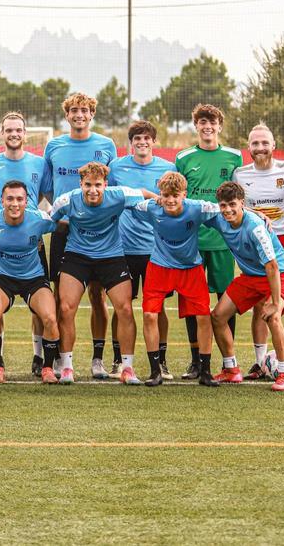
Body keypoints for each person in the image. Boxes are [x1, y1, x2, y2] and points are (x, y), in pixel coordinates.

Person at [48, 162, 153, 384]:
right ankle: (67, 367)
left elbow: (145, 194)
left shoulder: (119, 194)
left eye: (97, 185)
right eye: (87, 184)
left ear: (106, 184)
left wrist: (162, 203)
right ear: (80, 184)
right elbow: (49, 220)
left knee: (124, 308)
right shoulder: (67, 200)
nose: (92, 190)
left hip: (111, 256)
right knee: (65, 308)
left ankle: (127, 368)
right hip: (77, 255)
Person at [44, 93, 120, 380]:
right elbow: (48, 188)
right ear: (67, 115)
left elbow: (112, 187)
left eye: (85, 110)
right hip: (65, 231)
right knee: (62, 298)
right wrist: (66, 213)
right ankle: (58, 359)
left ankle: (98, 360)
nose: (79, 114)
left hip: (100, 232)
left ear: (92, 114)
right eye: (74, 110)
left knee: (98, 294)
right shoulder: (54, 145)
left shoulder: (106, 145)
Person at [0, 111, 51, 375]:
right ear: (2, 133)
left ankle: (40, 357)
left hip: (33, 248)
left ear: (25, 133)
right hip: (0, 251)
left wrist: (32, 220)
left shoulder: (39, 164)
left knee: (41, 310)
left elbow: (48, 195)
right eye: (9, 130)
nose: (14, 134)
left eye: (18, 129)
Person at [125, 172, 220, 387]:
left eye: (175, 195)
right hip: (159, 267)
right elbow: (129, 199)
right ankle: (155, 371)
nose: (170, 200)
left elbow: (225, 208)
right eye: (166, 195)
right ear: (161, 194)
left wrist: (260, 215)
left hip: (191, 269)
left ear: (184, 195)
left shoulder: (198, 208)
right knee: (150, 315)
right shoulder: (152, 207)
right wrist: (150, 196)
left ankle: (205, 371)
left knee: (203, 317)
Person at [202, 182, 284, 392]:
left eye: (232, 204)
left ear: (241, 204)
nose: (227, 210)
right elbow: (194, 206)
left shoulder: (255, 227)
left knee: (272, 317)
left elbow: (272, 266)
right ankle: (231, 369)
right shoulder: (219, 218)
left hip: (279, 273)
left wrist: (273, 302)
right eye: (223, 205)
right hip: (251, 276)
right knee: (217, 316)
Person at [173, 104, 244, 379]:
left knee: (228, 300)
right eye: (202, 122)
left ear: (219, 126)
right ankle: (196, 362)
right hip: (193, 242)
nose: (207, 126)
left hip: (224, 241)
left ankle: (229, 361)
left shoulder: (234, 157)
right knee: (192, 302)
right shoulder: (184, 158)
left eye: (212, 122)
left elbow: (242, 195)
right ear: (196, 126)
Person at [233, 123, 284, 381]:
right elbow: (236, 206)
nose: (261, 148)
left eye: (265, 143)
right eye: (255, 144)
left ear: (274, 145)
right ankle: (259, 362)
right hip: (254, 245)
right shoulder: (240, 175)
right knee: (258, 304)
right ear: (249, 147)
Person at [0, 180, 59, 384]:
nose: (14, 203)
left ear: (27, 201)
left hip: (34, 278)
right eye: (9, 198)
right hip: (3, 279)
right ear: (1, 200)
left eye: (20, 199)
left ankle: (47, 367)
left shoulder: (39, 219)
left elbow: (62, 225)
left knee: (50, 318)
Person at [108, 120, 176, 378]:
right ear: (131, 143)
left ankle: (162, 361)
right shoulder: (117, 166)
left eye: (147, 138)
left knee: (157, 308)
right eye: (137, 138)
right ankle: (118, 360)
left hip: (156, 249)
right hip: (122, 248)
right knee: (121, 306)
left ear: (154, 142)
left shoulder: (168, 169)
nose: (142, 142)